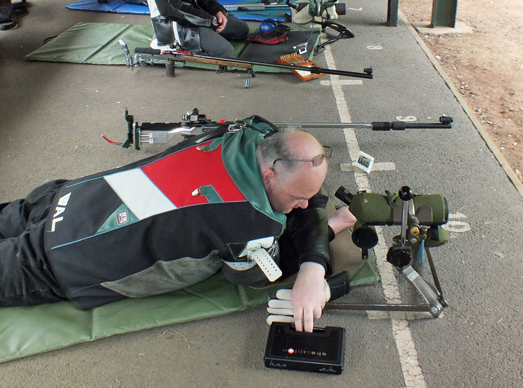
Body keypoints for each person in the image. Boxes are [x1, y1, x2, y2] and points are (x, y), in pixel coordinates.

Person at [0, 118, 356, 333]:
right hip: (57, 258)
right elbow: (262, 273)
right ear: (268, 176)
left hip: (62, 198)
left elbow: (305, 189)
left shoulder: (247, 131)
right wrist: (315, 260)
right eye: (298, 197)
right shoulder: (248, 223)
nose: (306, 204)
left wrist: (316, 245)